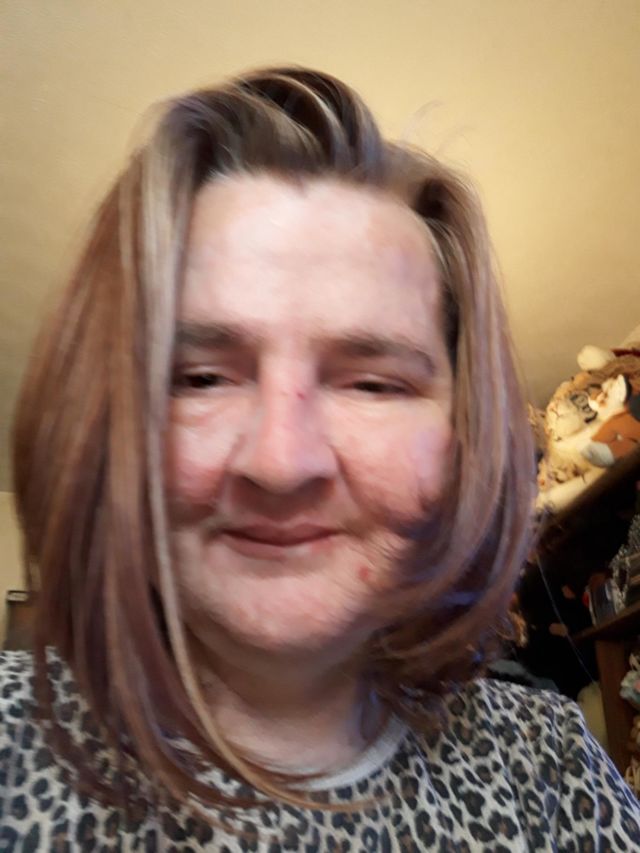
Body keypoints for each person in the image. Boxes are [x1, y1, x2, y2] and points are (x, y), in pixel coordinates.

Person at [1, 66, 638, 851]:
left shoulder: (555, 771)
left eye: (372, 383)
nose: (281, 461)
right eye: (200, 377)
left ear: (460, 438)